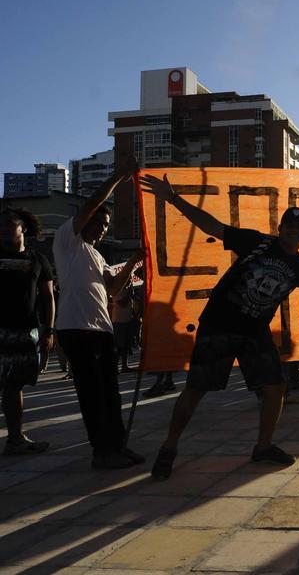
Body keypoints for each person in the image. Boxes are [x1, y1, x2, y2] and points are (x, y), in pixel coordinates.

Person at [140, 174, 299, 480]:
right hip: (220, 325)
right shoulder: (256, 242)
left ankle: (263, 447)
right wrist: (173, 199)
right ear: (280, 230)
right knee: (197, 389)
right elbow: (211, 226)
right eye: (288, 228)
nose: (293, 232)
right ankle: (169, 448)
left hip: (254, 332)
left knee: (276, 387)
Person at [53, 165, 145, 469]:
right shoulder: (68, 241)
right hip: (76, 329)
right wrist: (120, 176)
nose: (102, 227)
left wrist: (133, 261)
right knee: (92, 394)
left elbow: (113, 289)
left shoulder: (97, 255)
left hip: (100, 329)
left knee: (111, 392)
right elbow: (92, 201)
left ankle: (117, 445)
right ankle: (102, 451)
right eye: (98, 221)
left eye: (106, 224)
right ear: (83, 220)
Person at [1, 209, 54, 456]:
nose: (3, 229)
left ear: (23, 229)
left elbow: (48, 298)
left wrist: (48, 330)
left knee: (14, 386)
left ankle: (15, 439)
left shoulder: (38, 260)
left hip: (25, 332)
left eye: (9, 225)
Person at [111, 280, 135, 372]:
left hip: (127, 320)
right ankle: (115, 367)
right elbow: (122, 303)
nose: (129, 281)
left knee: (125, 345)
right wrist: (129, 292)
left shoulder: (126, 290)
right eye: (128, 280)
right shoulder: (118, 290)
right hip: (119, 321)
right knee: (119, 346)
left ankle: (125, 366)